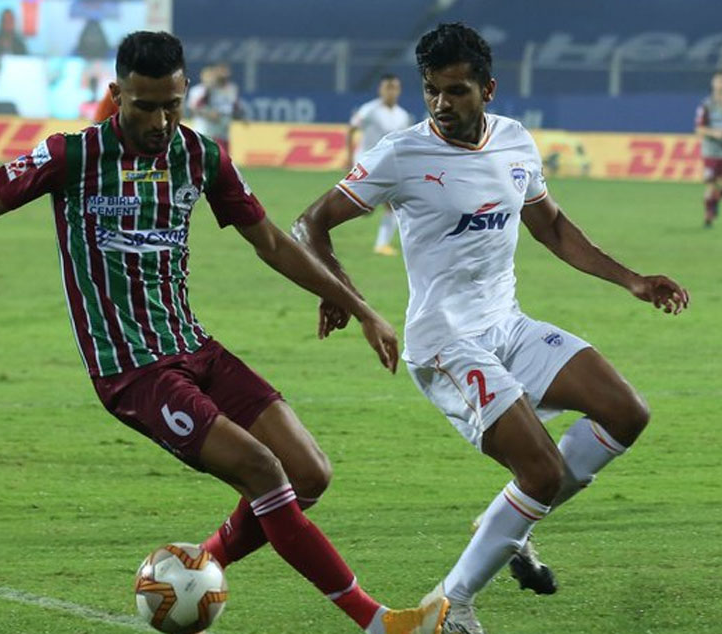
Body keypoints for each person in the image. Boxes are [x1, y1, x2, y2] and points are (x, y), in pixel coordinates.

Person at [0, 31, 447, 634]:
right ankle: (379, 621)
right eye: (145, 106)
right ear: (117, 95)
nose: (160, 121)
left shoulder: (200, 155)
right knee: (262, 470)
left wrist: (354, 303)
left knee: (309, 473)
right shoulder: (72, 156)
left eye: (172, 104)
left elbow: (271, 242)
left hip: (194, 347)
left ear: (185, 92)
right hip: (133, 372)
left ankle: (197, 567)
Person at [292, 22, 689, 634]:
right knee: (541, 474)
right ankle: (449, 606)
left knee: (625, 412)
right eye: (432, 91)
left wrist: (632, 280)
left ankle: (506, 524)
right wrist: (343, 294)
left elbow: (551, 227)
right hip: (445, 343)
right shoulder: (401, 154)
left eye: (456, 91)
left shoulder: (514, 141)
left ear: (488, 89)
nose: (441, 104)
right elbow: (309, 223)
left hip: (508, 324)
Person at [348, 74, 412, 256]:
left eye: (394, 88)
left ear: (399, 90)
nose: (391, 91)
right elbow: (351, 130)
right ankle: (365, 208)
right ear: (380, 89)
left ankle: (382, 244)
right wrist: (348, 157)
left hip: (388, 164)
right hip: (366, 162)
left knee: (393, 204)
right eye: (387, 87)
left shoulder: (402, 115)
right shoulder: (369, 110)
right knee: (367, 206)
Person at [695, 70, 722, 228]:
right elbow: (699, 129)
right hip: (711, 152)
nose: (721, 84)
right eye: (718, 81)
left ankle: (715, 201)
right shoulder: (706, 105)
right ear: (713, 84)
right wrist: (714, 133)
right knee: (712, 185)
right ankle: (708, 216)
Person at [187, 63, 242, 153]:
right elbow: (193, 109)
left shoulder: (225, 89)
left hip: (221, 130)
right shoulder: (197, 90)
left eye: (211, 76)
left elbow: (232, 107)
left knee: (222, 155)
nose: (209, 79)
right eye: (207, 76)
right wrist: (208, 114)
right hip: (204, 129)